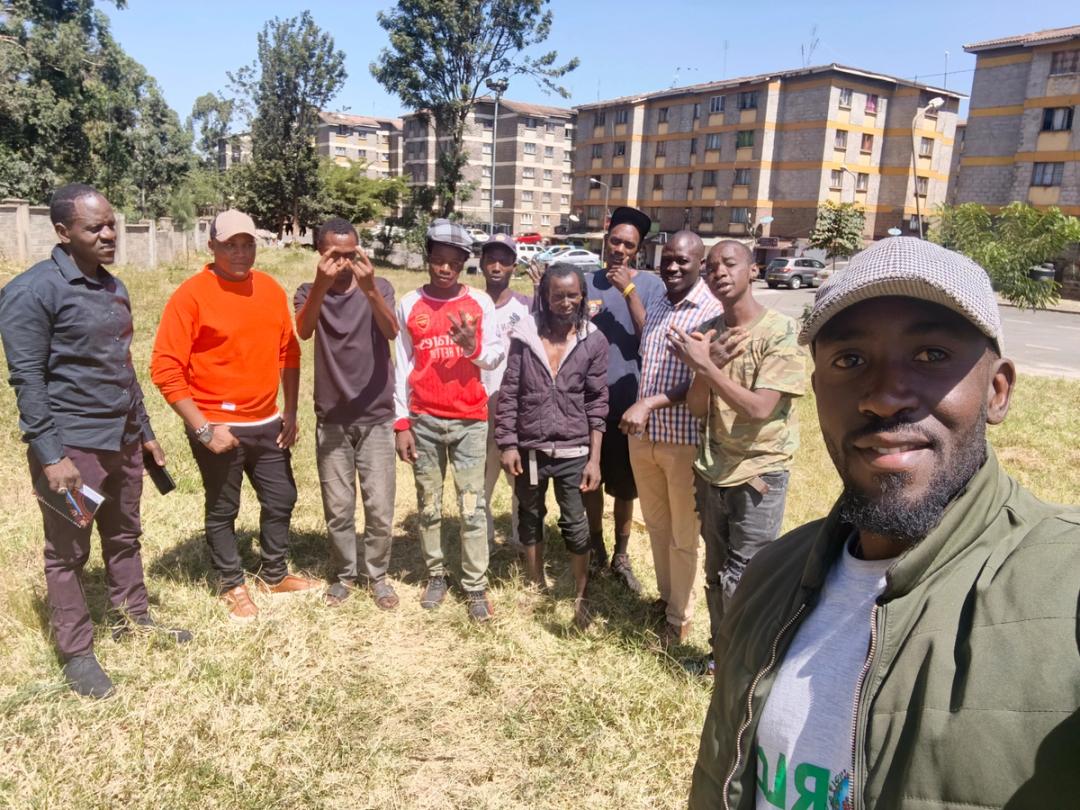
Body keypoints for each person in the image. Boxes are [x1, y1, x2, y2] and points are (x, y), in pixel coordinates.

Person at [689, 237, 1080, 809]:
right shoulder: (769, 577)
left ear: (997, 391)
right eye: (850, 361)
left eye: (930, 356)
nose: (884, 396)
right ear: (818, 390)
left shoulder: (1064, 586)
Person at [0, 183, 190, 699]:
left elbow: (123, 370)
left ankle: (135, 618)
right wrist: (51, 454)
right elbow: (28, 381)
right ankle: (76, 652)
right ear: (63, 233)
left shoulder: (114, 287)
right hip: (73, 450)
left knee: (125, 536)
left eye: (112, 224)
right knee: (68, 552)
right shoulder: (31, 292)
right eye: (95, 227)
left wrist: (146, 433)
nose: (110, 234)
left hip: (123, 441)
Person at [150, 209, 318, 623]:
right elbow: (165, 368)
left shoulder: (269, 289)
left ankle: (274, 575)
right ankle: (232, 584)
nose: (241, 253)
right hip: (217, 425)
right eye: (230, 245)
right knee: (224, 508)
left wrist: (291, 410)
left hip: (267, 421)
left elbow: (288, 352)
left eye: (247, 244)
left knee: (282, 497)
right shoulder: (191, 295)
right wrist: (204, 428)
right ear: (212, 247)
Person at [671, 240, 805, 672]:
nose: (719, 273)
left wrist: (707, 366)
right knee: (715, 575)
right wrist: (702, 367)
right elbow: (696, 407)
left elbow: (761, 408)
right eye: (711, 267)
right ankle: (721, 657)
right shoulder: (708, 331)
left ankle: (750, 665)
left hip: (757, 473)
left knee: (746, 578)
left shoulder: (780, 332)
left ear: (752, 270)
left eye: (729, 264)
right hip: (713, 470)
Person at [394, 219, 504, 622]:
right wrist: (401, 422)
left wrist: (473, 348)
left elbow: (494, 356)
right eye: (437, 261)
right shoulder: (410, 304)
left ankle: (475, 585)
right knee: (428, 504)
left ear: (463, 264)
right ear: (428, 259)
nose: (444, 269)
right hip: (423, 418)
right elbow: (401, 367)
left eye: (453, 263)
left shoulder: (480, 304)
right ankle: (436, 574)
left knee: (472, 507)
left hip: (470, 421)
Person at [619, 231, 722, 645]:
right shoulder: (660, 302)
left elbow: (704, 381)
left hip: (683, 439)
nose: (673, 267)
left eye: (683, 260)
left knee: (683, 535)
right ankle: (665, 599)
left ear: (700, 264)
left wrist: (649, 404)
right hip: (645, 437)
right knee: (658, 526)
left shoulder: (711, 312)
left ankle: (679, 619)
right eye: (668, 259)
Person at [495, 262, 607, 629]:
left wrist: (595, 459)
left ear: (583, 296)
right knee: (530, 515)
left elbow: (597, 402)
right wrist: (508, 443)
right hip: (529, 448)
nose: (565, 301)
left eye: (572, 294)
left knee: (576, 522)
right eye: (557, 294)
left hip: (574, 451)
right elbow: (510, 393)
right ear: (544, 296)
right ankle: (535, 582)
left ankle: (581, 594)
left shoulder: (593, 340)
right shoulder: (524, 337)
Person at [294, 218, 399, 609]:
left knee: (379, 506)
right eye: (334, 256)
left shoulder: (380, 286)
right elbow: (304, 330)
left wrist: (370, 288)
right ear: (319, 255)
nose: (343, 263)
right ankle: (343, 574)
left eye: (351, 255)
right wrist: (320, 287)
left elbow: (391, 331)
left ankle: (378, 576)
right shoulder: (308, 291)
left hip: (376, 416)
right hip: (332, 418)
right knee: (338, 507)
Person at [582, 206, 666, 591]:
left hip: (628, 404)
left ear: (638, 249)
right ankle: (596, 547)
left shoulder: (650, 285)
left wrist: (627, 290)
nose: (619, 249)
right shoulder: (586, 281)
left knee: (625, 487)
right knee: (590, 481)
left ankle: (621, 552)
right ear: (606, 236)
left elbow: (651, 336)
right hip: (586, 403)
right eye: (615, 240)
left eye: (628, 245)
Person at [479, 233, 531, 553]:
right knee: (481, 476)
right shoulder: (471, 301)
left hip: (515, 407)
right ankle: (481, 538)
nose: (497, 266)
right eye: (491, 259)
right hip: (477, 406)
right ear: (482, 264)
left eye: (504, 260)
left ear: (514, 266)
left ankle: (519, 536)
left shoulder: (525, 305)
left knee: (519, 476)